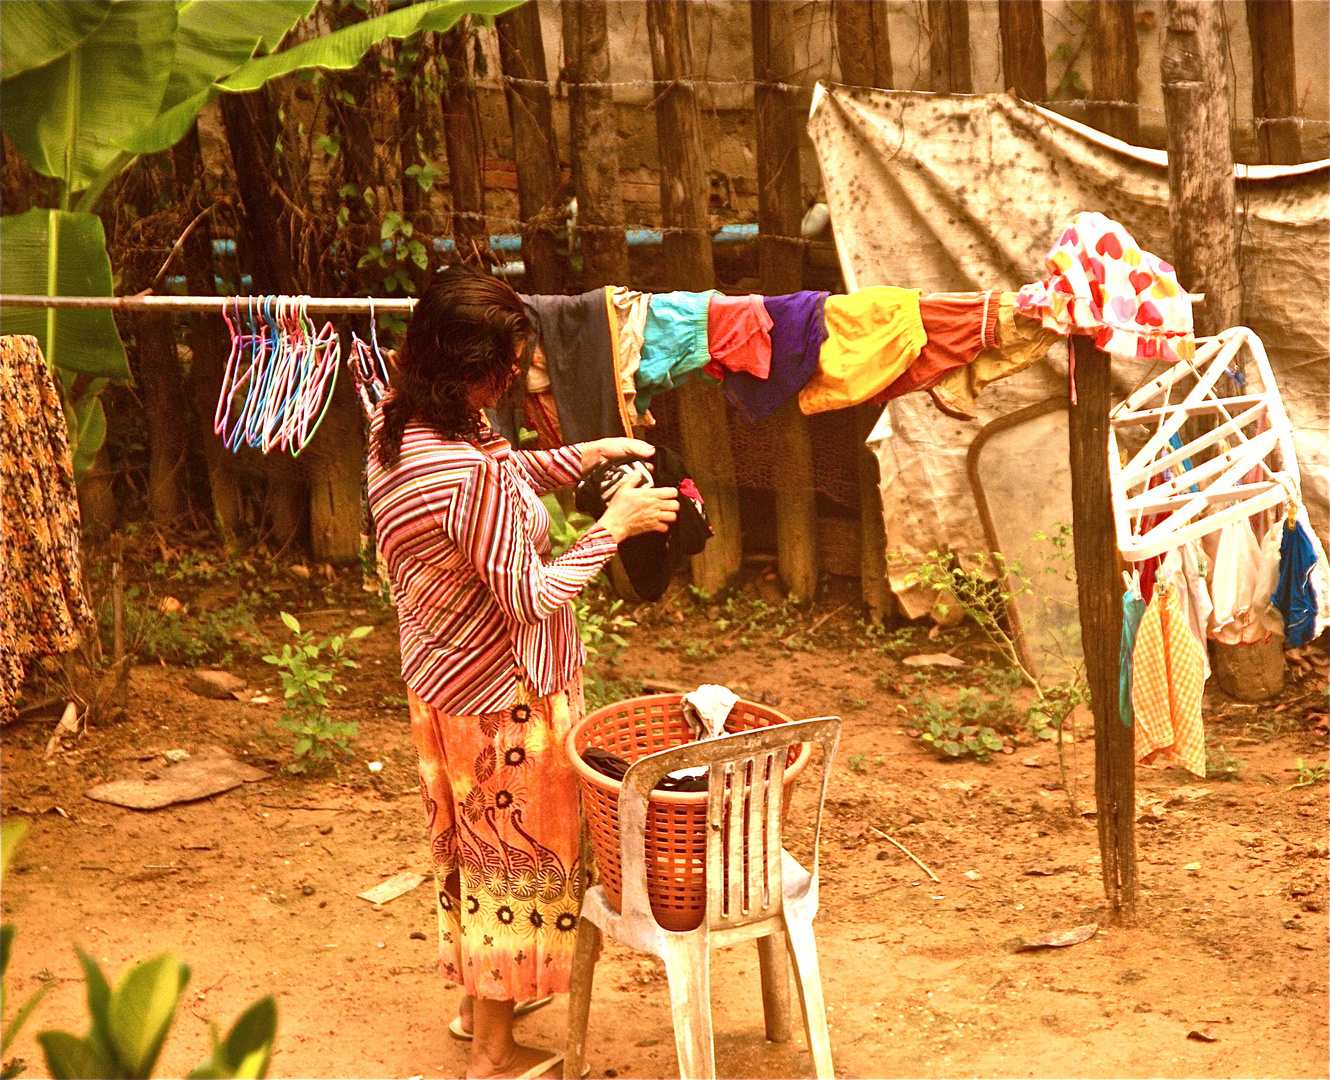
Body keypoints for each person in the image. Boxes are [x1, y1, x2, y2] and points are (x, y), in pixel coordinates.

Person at [367, 267, 678, 1080]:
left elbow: (502, 480)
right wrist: (615, 525)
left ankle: (478, 1012)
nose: (511, 378)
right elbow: (532, 596)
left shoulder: (400, 424)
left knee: (471, 857)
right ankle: (496, 1056)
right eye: (501, 365)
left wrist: (584, 457)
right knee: (513, 868)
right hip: (506, 700)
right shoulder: (464, 469)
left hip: (442, 683)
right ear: (461, 365)